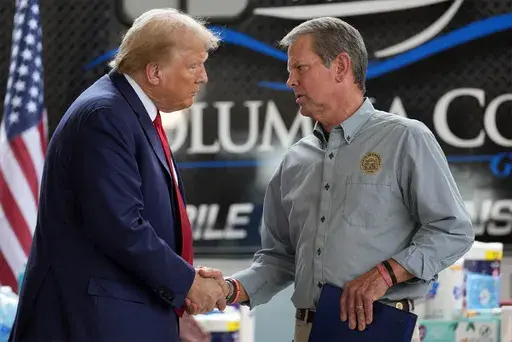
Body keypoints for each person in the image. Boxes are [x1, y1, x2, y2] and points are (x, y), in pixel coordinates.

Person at [197, 17, 475, 342]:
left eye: (300, 68)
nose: (290, 81)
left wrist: (385, 273)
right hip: (306, 330)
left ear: (341, 66)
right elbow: (279, 258)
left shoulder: (405, 139)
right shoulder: (294, 161)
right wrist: (228, 290)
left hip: (377, 328)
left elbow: (453, 229)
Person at [9, 8, 228, 342]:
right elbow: (119, 226)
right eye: (194, 65)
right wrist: (187, 283)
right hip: (92, 323)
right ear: (154, 72)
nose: (203, 76)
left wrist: (183, 279)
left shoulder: (128, 112)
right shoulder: (105, 115)